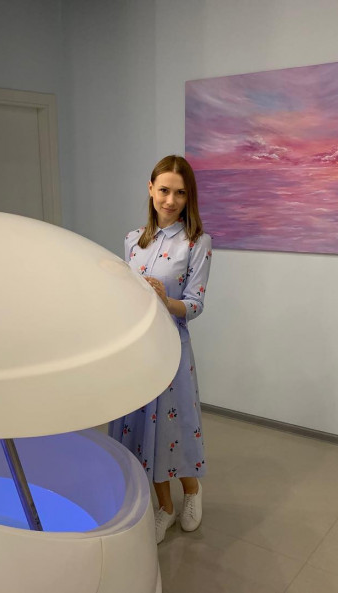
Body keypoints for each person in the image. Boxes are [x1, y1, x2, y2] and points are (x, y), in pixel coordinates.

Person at [110, 154, 212, 544]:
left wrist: (165, 299)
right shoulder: (132, 240)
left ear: (189, 197)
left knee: (174, 427)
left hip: (172, 349)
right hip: (138, 349)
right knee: (142, 430)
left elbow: (196, 304)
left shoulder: (196, 243)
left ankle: (192, 492)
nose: (170, 200)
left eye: (180, 193)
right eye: (164, 190)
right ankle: (164, 507)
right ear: (151, 188)